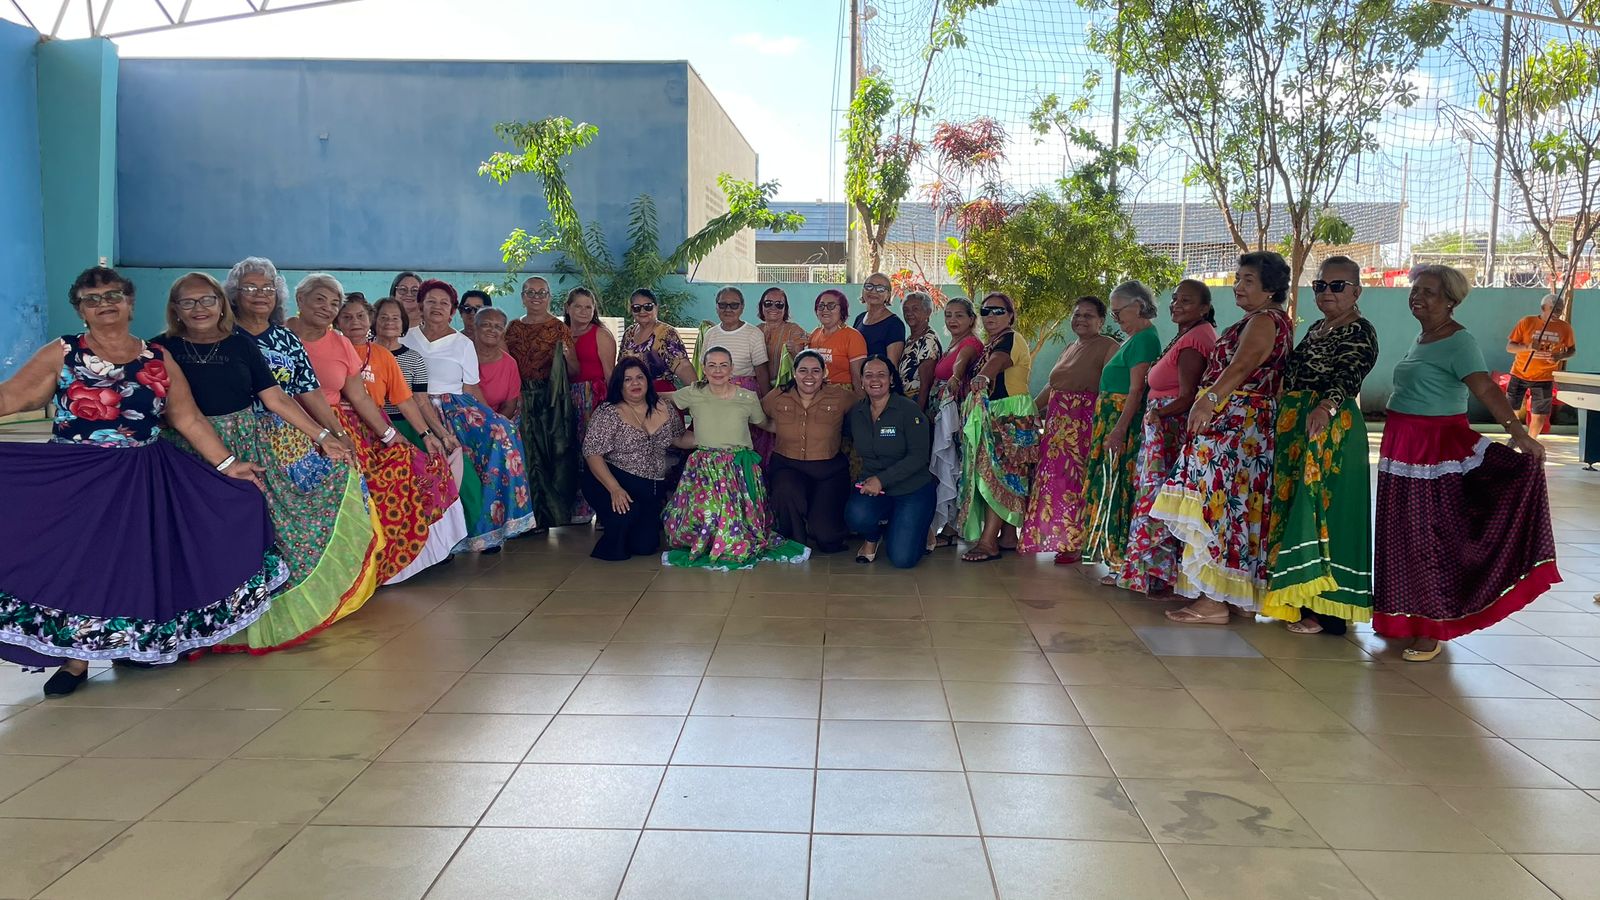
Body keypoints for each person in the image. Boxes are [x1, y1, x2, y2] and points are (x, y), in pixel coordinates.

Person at [0, 266, 281, 696]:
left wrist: (228, 465)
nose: (104, 304)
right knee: (82, 562)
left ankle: (132, 644)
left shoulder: (157, 357)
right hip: (78, 477)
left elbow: (187, 417)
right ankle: (76, 660)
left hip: (141, 476)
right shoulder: (63, 351)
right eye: (92, 299)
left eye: (113, 295)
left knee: (135, 560)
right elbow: (11, 396)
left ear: (130, 303)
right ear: (80, 310)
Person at [160, 271, 384, 653]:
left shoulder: (241, 344)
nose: (199, 309)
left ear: (220, 304)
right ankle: (191, 627)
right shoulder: (161, 349)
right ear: (175, 309)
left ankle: (245, 620)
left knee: (251, 528)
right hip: (185, 452)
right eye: (189, 302)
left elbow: (277, 398)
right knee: (194, 535)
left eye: (207, 300)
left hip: (246, 447)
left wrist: (325, 438)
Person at [1374, 265, 1558, 660]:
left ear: (1451, 301)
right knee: (1400, 534)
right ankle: (1402, 619)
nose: (1417, 297)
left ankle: (1433, 627)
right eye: (1415, 290)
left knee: (1428, 539)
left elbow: (1486, 389)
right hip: (1401, 447)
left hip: (1434, 451)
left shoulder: (1460, 341)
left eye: (1429, 292)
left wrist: (1519, 433)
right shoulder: (1423, 338)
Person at [1151, 251, 1295, 624]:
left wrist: (1210, 400)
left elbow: (1242, 365)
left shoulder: (1264, 320)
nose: (1238, 286)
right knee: (1233, 506)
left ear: (1270, 288)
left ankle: (1213, 601)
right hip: (1244, 423)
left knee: (1216, 503)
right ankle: (1229, 595)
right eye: (1237, 279)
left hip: (1235, 422)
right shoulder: (1267, 319)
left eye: (1248, 280)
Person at [1263, 258, 1379, 633]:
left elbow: (1350, 374)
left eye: (1337, 286)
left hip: (1330, 428)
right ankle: (1297, 599)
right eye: (1320, 285)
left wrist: (1326, 407)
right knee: (1296, 505)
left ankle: (1326, 611)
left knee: (1325, 510)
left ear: (1356, 291)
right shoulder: (1317, 328)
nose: (1327, 292)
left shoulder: (1360, 330)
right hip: (1298, 426)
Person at [334, 296, 467, 583]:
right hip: (338, 430)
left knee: (426, 469)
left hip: (378, 429)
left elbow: (405, 400)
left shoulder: (382, 356)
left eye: (360, 316)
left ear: (369, 320)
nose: (355, 323)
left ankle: (417, 555)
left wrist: (427, 435)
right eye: (347, 317)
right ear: (337, 321)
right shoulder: (329, 350)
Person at [405, 279, 537, 551]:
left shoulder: (462, 343)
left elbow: (471, 387)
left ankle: (489, 529)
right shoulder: (405, 338)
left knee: (503, 434)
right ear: (420, 305)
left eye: (444, 303)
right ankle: (433, 543)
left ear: (452, 310)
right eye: (431, 301)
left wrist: (493, 418)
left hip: (456, 409)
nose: (437, 307)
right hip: (414, 408)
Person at [662, 347, 810, 569]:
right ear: (704, 369)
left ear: (732, 369)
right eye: (712, 365)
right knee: (708, 511)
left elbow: (764, 424)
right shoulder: (693, 393)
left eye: (723, 365)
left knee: (737, 519)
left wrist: (799, 428)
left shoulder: (747, 397)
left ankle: (730, 541)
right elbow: (665, 400)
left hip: (738, 467)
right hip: (705, 466)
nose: (718, 370)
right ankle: (709, 542)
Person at [1116, 280, 1217, 595]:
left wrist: (1159, 414)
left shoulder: (1195, 340)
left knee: (1161, 502)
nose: (1176, 305)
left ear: (1204, 308)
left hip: (1170, 430)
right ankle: (1154, 572)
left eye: (1186, 301)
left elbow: (1188, 395)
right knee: (1158, 501)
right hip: (1163, 426)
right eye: (1174, 299)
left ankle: (1158, 573)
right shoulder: (1187, 334)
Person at [1020, 297, 1120, 561]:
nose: (1081, 320)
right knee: (1056, 481)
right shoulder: (1069, 347)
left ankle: (1077, 543)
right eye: (1077, 315)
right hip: (1058, 427)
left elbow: (1111, 389)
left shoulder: (1109, 346)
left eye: (1088, 315)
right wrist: (1031, 409)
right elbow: (1053, 385)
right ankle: (1060, 539)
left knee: (1077, 481)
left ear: (1101, 320)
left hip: (1083, 424)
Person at [1081, 281, 1163, 578]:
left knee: (1117, 486)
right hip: (1110, 418)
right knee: (1107, 484)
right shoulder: (1134, 338)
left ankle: (1120, 561)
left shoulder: (1145, 339)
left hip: (1120, 421)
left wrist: (1118, 429)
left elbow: (1136, 390)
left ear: (1138, 306)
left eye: (1119, 312)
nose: (1116, 319)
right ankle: (1112, 556)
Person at [581, 358, 689, 561]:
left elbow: (679, 438)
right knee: (623, 524)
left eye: (640, 377)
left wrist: (715, 435)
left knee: (645, 546)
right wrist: (614, 489)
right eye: (628, 379)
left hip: (649, 487)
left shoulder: (664, 407)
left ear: (647, 381)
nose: (635, 383)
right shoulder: (608, 412)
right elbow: (592, 453)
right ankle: (615, 532)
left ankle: (633, 525)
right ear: (619, 384)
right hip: (611, 480)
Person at [959, 292, 1037, 562]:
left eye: (998, 311)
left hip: (1009, 414)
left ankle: (988, 542)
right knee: (1004, 475)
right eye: (985, 311)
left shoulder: (1010, 339)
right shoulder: (990, 343)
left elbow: (999, 361)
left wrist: (983, 376)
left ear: (1011, 316)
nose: (990, 316)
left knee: (996, 476)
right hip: (998, 412)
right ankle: (1007, 536)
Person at [503, 276, 579, 532]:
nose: (536, 297)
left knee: (553, 455)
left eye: (541, 293)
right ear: (522, 297)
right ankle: (527, 518)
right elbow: (505, 364)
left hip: (551, 400)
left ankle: (551, 516)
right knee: (524, 457)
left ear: (549, 297)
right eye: (531, 292)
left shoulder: (559, 328)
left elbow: (574, 370)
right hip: (519, 398)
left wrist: (566, 358)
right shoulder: (513, 328)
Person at [846, 355, 936, 568]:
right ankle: (873, 537)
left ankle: (920, 525)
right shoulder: (856, 413)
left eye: (881, 375)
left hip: (911, 489)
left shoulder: (908, 410)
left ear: (891, 379)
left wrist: (881, 479)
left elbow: (919, 457)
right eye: (869, 375)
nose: (875, 380)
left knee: (903, 559)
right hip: (874, 489)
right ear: (861, 380)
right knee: (855, 516)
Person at [761, 349, 854, 553]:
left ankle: (820, 523)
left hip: (828, 470)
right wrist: (776, 428)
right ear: (794, 372)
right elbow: (755, 414)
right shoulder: (778, 395)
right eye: (803, 370)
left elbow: (865, 412)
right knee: (785, 490)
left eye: (815, 370)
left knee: (827, 537)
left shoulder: (841, 397)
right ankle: (795, 541)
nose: (809, 376)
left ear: (824, 373)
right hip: (788, 466)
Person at [927, 298, 984, 548]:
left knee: (955, 466)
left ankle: (952, 528)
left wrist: (955, 377)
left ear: (971, 319)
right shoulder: (952, 343)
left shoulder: (970, 343)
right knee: (947, 467)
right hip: (941, 413)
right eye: (948, 315)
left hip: (956, 414)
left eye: (959, 315)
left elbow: (962, 362)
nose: (952, 320)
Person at [370, 297, 457, 454]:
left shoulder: (414, 358)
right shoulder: (363, 353)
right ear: (373, 321)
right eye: (383, 317)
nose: (389, 322)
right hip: (371, 423)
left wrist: (443, 434)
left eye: (395, 318)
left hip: (407, 424)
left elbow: (421, 401)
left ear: (403, 323)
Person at [565, 286, 614, 523]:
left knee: (594, 452)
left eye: (589, 307)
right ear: (568, 308)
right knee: (572, 451)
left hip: (593, 397)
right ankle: (577, 505)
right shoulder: (561, 333)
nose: (584, 311)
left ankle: (602, 506)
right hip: (568, 398)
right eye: (578, 306)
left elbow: (610, 373)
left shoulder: (600, 334)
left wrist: (613, 406)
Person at [1505, 292, 1576, 438]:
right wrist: (1528, 347)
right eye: (1554, 309)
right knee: (1511, 411)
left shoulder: (1565, 328)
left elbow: (1572, 350)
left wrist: (1560, 356)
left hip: (1545, 377)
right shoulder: (1527, 322)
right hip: (1520, 372)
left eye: (1560, 309)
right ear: (1543, 308)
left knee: (1539, 415)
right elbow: (1510, 347)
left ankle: (1532, 440)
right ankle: (1516, 437)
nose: (1558, 313)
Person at [619, 288, 695, 394]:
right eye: (636, 308)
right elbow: (620, 367)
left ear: (656, 307)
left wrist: (697, 394)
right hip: (631, 394)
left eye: (648, 307)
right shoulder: (629, 333)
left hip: (659, 395)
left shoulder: (667, 333)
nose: (642, 311)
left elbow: (683, 365)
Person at [809, 288, 868, 389]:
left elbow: (858, 378)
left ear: (842, 310)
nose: (825, 310)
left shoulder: (853, 336)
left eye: (831, 306)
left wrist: (860, 398)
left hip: (843, 393)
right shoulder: (815, 334)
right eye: (821, 306)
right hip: (816, 391)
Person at [472, 306, 522, 420]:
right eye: (486, 324)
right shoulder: (462, 357)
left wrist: (493, 424)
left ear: (503, 332)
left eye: (498, 327)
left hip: (496, 421)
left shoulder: (510, 364)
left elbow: (510, 406)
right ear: (475, 326)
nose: (492, 330)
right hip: (462, 420)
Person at [898, 290, 944, 407]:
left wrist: (917, 414)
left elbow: (925, 386)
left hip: (916, 403)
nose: (909, 313)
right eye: (906, 310)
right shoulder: (911, 339)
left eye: (915, 309)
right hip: (905, 402)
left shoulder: (928, 340)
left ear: (928, 312)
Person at [758, 286, 808, 388]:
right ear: (761, 306)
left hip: (787, 388)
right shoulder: (755, 330)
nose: (773, 308)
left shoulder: (794, 330)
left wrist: (793, 351)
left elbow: (802, 363)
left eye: (779, 304)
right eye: (768, 303)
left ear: (785, 309)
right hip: (758, 387)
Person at [852, 272, 906, 368]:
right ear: (863, 290)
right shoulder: (859, 318)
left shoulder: (894, 324)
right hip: (859, 376)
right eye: (869, 286)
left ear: (888, 295)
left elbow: (892, 366)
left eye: (880, 288)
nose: (873, 291)